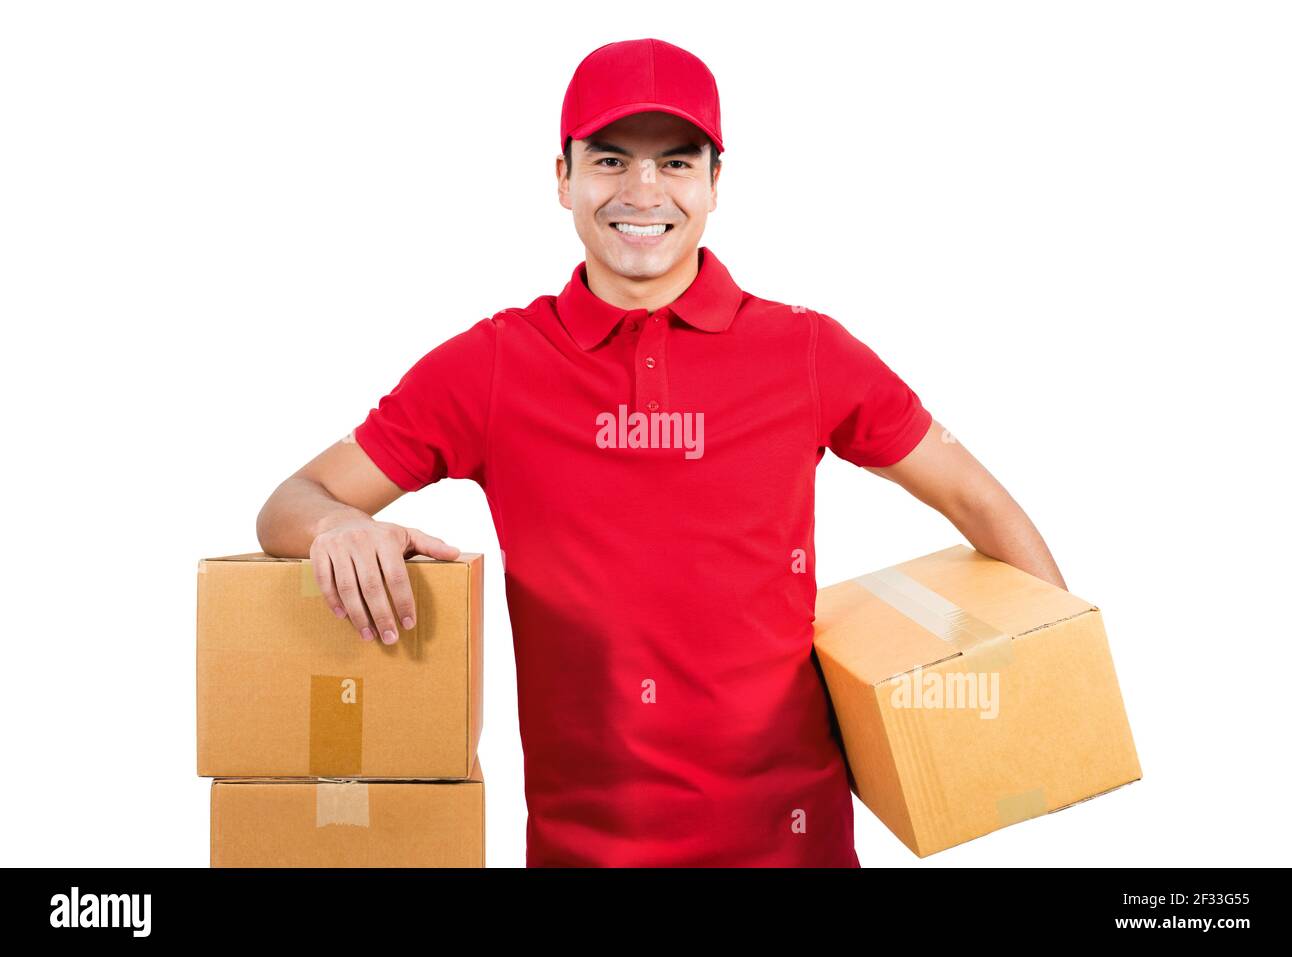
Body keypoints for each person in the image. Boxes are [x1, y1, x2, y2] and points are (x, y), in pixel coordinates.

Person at [256, 38, 1066, 867]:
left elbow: (976, 499)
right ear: (563, 177)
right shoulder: (494, 365)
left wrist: (1060, 681)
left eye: (675, 162)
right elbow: (294, 498)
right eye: (610, 160)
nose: (642, 191)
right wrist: (336, 526)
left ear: (715, 182)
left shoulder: (807, 352)